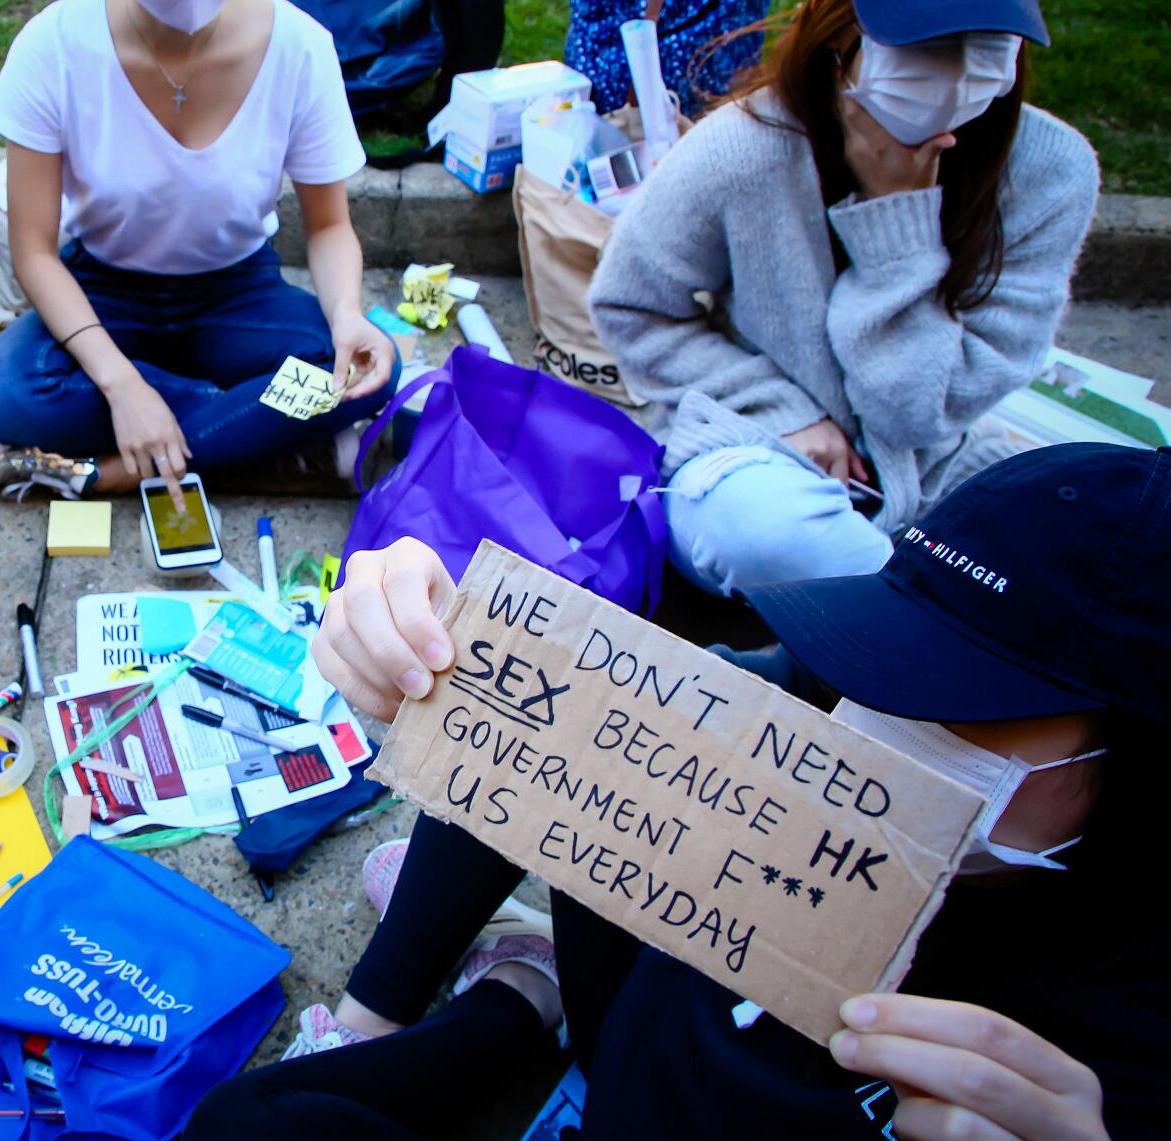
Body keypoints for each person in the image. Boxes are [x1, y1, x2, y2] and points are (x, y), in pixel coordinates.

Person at [189, 441, 1168, 1139]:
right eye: (886, 654)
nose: (869, 716)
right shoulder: (822, 705)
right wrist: (431, 637)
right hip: (620, 1030)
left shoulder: (1105, 1060)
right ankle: (517, 996)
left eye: (959, 698)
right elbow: (583, 691)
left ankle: (515, 1000)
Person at [586, 0, 1098, 597]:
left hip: (942, 460)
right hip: (761, 455)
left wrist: (897, 234)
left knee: (1104, 547)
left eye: (988, 43)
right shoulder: (746, 148)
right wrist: (779, 410)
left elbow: (923, 410)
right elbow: (629, 303)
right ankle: (911, 627)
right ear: (837, 20)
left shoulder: (1053, 171)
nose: (956, 77)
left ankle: (849, 641)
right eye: (922, 43)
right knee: (766, 533)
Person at [0, 0, 396, 505]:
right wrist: (122, 383)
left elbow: (328, 225)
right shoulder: (55, 47)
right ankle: (258, 431)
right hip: (104, 291)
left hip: (236, 291)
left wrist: (346, 314)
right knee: (8, 389)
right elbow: (36, 251)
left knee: (371, 363)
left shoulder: (299, 48)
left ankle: (102, 471)